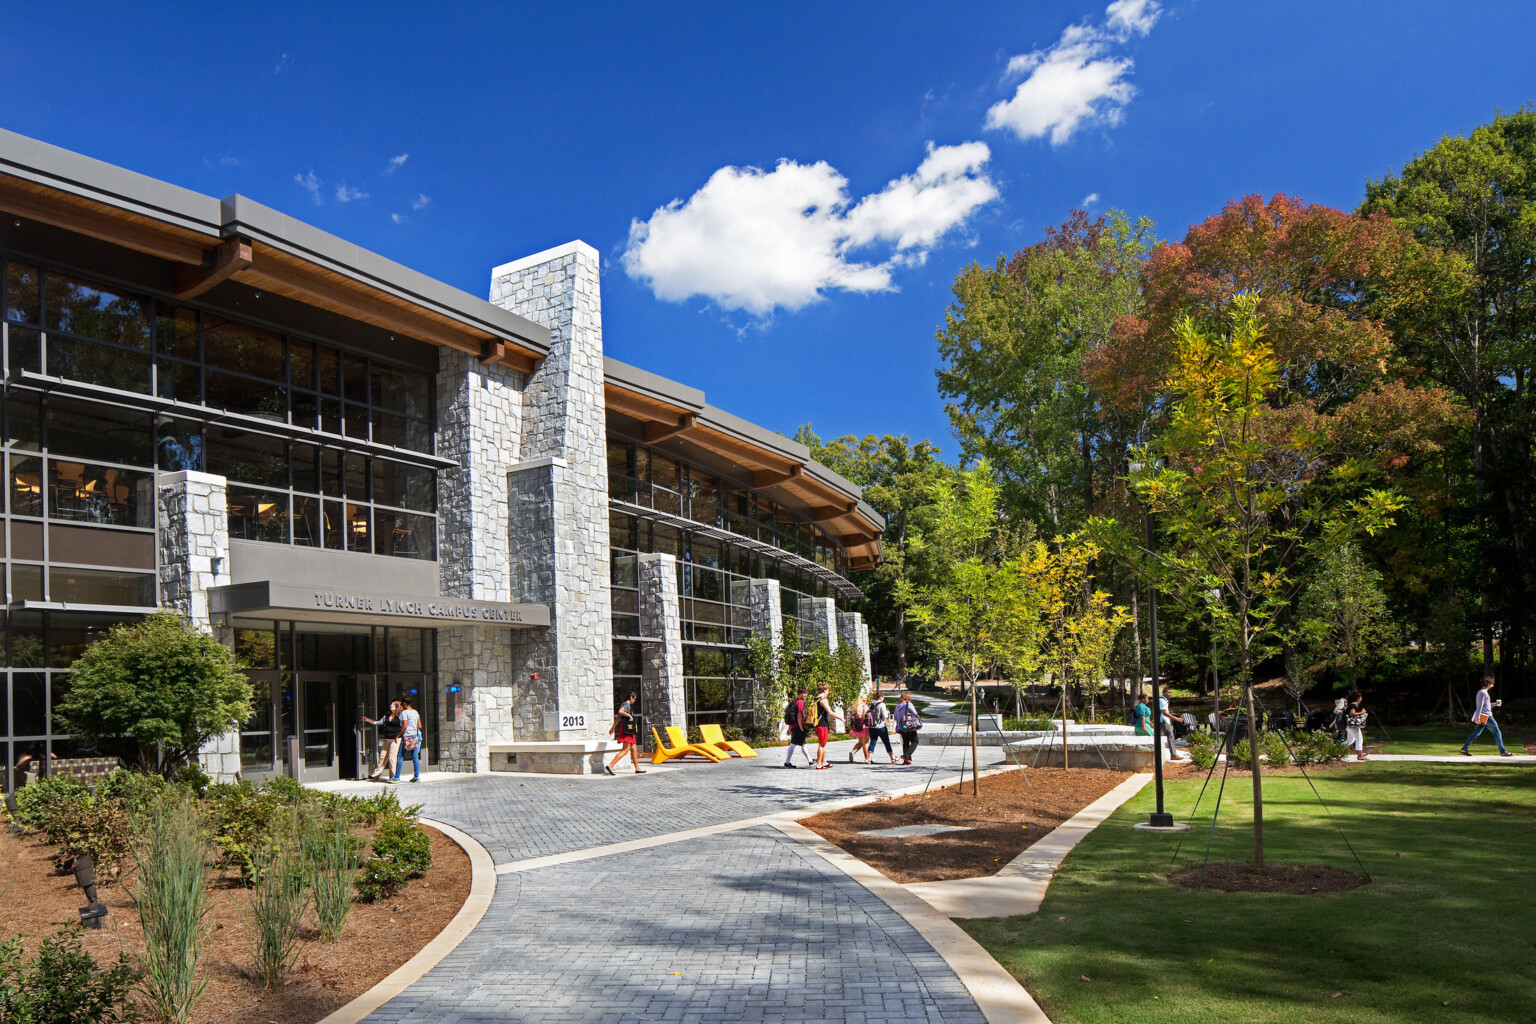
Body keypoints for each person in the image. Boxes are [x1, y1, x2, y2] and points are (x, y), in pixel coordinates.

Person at [1460, 677, 1514, 757]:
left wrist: (1493, 704)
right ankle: (1503, 752)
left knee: (1476, 733)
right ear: (1488, 684)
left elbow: (1485, 705)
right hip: (1486, 716)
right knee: (1497, 732)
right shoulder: (1483, 693)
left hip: (1483, 716)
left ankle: (1464, 749)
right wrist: (1477, 718)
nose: (1492, 685)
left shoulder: (1482, 692)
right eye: (1492, 684)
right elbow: (1479, 706)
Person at [361, 700, 403, 781]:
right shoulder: (387, 715)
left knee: (392, 758)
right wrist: (367, 719)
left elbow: (403, 726)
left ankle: (393, 776)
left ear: (397, 707)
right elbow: (378, 722)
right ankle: (376, 775)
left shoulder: (400, 716)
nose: (391, 706)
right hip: (387, 739)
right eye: (391, 705)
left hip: (395, 740)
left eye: (393, 705)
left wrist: (398, 736)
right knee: (382, 757)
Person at [606, 691, 647, 774]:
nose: (635, 700)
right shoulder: (627, 704)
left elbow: (618, 718)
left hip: (628, 729)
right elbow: (620, 712)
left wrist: (613, 727)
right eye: (634, 698)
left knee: (634, 748)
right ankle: (610, 765)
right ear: (631, 698)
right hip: (626, 729)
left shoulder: (625, 704)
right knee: (625, 750)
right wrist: (629, 715)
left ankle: (637, 768)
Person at [811, 683, 844, 769]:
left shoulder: (815, 699)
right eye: (828, 690)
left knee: (823, 743)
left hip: (817, 723)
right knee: (821, 744)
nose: (828, 692)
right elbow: (830, 712)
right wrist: (840, 718)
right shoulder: (823, 700)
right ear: (825, 690)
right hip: (822, 723)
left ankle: (824, 761)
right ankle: (818, 763)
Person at [394, 697, 423, 783]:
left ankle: (397, 777)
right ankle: (416, 776)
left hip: (407, 736)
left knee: (400, 756)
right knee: (415, 756)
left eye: (403, 704)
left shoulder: (405, 713)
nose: (402, 705)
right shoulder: (415, 712)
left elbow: (404, 726)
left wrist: (398, 735)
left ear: (405, 703)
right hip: (415, 736)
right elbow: (420, 726)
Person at [783, 687, 811, 768]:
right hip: (798, 726)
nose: (805, 695)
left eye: (806, 693)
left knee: (803, 743)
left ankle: (810, 761)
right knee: (794, 743)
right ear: (799, 694)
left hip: (794, 726)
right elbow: (799, 715)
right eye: (803, 693)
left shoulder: (795, 701)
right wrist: (801, 727)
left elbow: (793, 716)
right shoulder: (800, 702)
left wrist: (789, 728)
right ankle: (787, 762)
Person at [866, 688, 895, 763]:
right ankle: (892, 758)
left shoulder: (872, 704)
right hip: (880, 726)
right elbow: (884, 716)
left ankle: (869, 759)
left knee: (873, 741)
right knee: (886, 742)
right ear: (881, 697)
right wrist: (887, 713)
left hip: (872, 726)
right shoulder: (882, 704)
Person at [894, 689, 922, 765]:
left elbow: (895, 717)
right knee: (915, 741)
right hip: (910, 725)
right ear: (907, 698)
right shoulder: (908, 704)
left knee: (905, 742)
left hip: (901, 726)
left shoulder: (897, 706)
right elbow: (915, 713)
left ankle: (906, 760)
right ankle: (906, 756)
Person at [1158, 685, 1184, 761]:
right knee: (1170, 737)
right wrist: (1176, 718)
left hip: (1165, 721)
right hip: (1164, 721)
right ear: (1164, 693)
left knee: (1167, 737)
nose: (1170, 694)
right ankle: (1173, 755)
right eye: (1168, 692)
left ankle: (1173, 755)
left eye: (1171, 692)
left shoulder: (1165, 700)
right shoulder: (1162, 700)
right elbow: (1164, 713)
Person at [1344, 690, 1368, 761]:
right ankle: (1360, 755)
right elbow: (1352, 713)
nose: (1361, 698)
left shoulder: (1351, 704)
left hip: (1349, 725)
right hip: (1352, 725)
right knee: (1359, 738)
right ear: (1358, 698)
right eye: (1360, 697)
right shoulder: (1353, 705)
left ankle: (1337, 749)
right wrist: (1361, 712)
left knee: (1350, 740)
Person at [848, 693, 871, 764]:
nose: (867, 699)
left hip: (857, 726)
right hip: (864, 726)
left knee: (860, 742)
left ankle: (853, 752)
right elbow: (867, 717)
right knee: (865, 743)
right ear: (863, 699)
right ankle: (867, 758)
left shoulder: (855, 706)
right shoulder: (865, 707)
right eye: (866, 698)